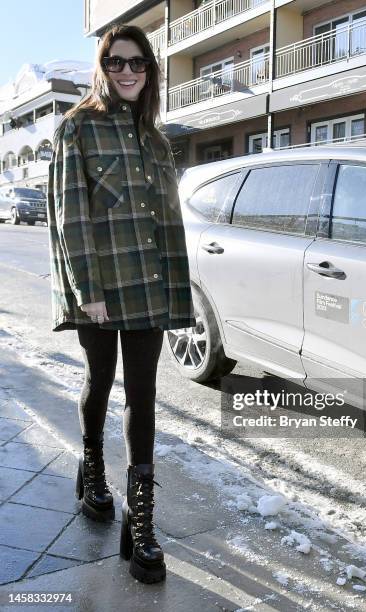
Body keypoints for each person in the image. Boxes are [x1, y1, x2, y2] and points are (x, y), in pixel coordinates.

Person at [47, 23, 196, 584]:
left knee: (144, 394)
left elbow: (167, 221)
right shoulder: (77, 128)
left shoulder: (155, 138)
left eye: (137, 62)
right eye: (116, 62)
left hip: (147, 284)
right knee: (100, 382)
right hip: (101, 288)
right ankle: (91, 473)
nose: (127, 71)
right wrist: (89, 292)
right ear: (102, 67)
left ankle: (141, 521)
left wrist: (175, 282)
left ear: (149, 69)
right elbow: (70, 217)